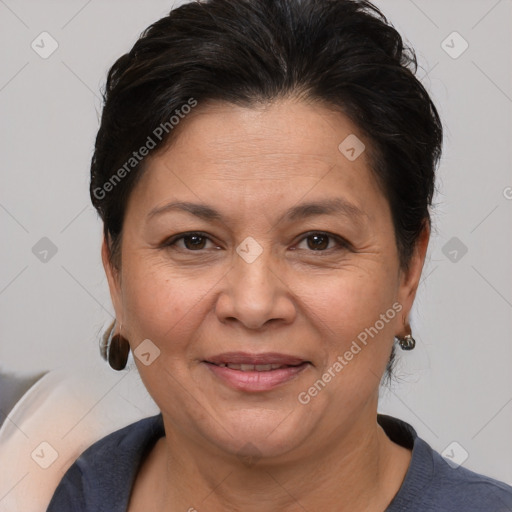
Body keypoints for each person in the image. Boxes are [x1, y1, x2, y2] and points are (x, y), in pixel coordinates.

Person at [46, 0, 512, 510]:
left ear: (409, 271)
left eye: (319, 241)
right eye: (193, 240)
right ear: (114, 271)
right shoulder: (40, 493)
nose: (253, 304)